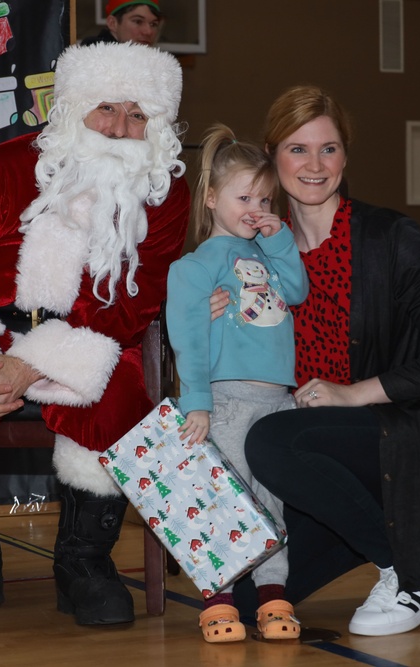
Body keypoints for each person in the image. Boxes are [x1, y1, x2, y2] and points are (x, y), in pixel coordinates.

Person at [0, 41, 190, 627]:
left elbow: (139, 300)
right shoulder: (1, 166)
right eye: (106, 109)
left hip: (94, 337)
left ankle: (84, 565)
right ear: (74, 107)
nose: (121, 129)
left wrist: (36, 362)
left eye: (138, 114)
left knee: (115, 404)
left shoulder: (163, 192)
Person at [219, 85, 420, 637]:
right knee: (250, 605)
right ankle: (371, 534)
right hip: (315, 450)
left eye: (329, 149)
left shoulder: (391, 238)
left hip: (400, 431)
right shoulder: (257, 248)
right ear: (272, 156)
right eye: (297, 149)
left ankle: (414, 568)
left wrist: (354, 392)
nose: (315, 165)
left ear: (345, 155)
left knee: (272, 440)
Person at [165, 125, 308, 643]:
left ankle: (273, 596)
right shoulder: (194, 267)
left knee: (271, 503)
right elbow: (188, 342)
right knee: (222, 500)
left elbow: (296, 290)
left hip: (276, 401)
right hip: (224, 402)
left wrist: (280, 237)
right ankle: (218, 600)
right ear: (210, 198)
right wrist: (196, 404)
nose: (255, 207)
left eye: (264, 198)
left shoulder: (269, 256)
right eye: (243, 196)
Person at [81, 0, 162, 47]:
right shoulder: (92, 58)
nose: (148, 32)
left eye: (153, 24)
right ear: (112, 23)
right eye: (138, 21)